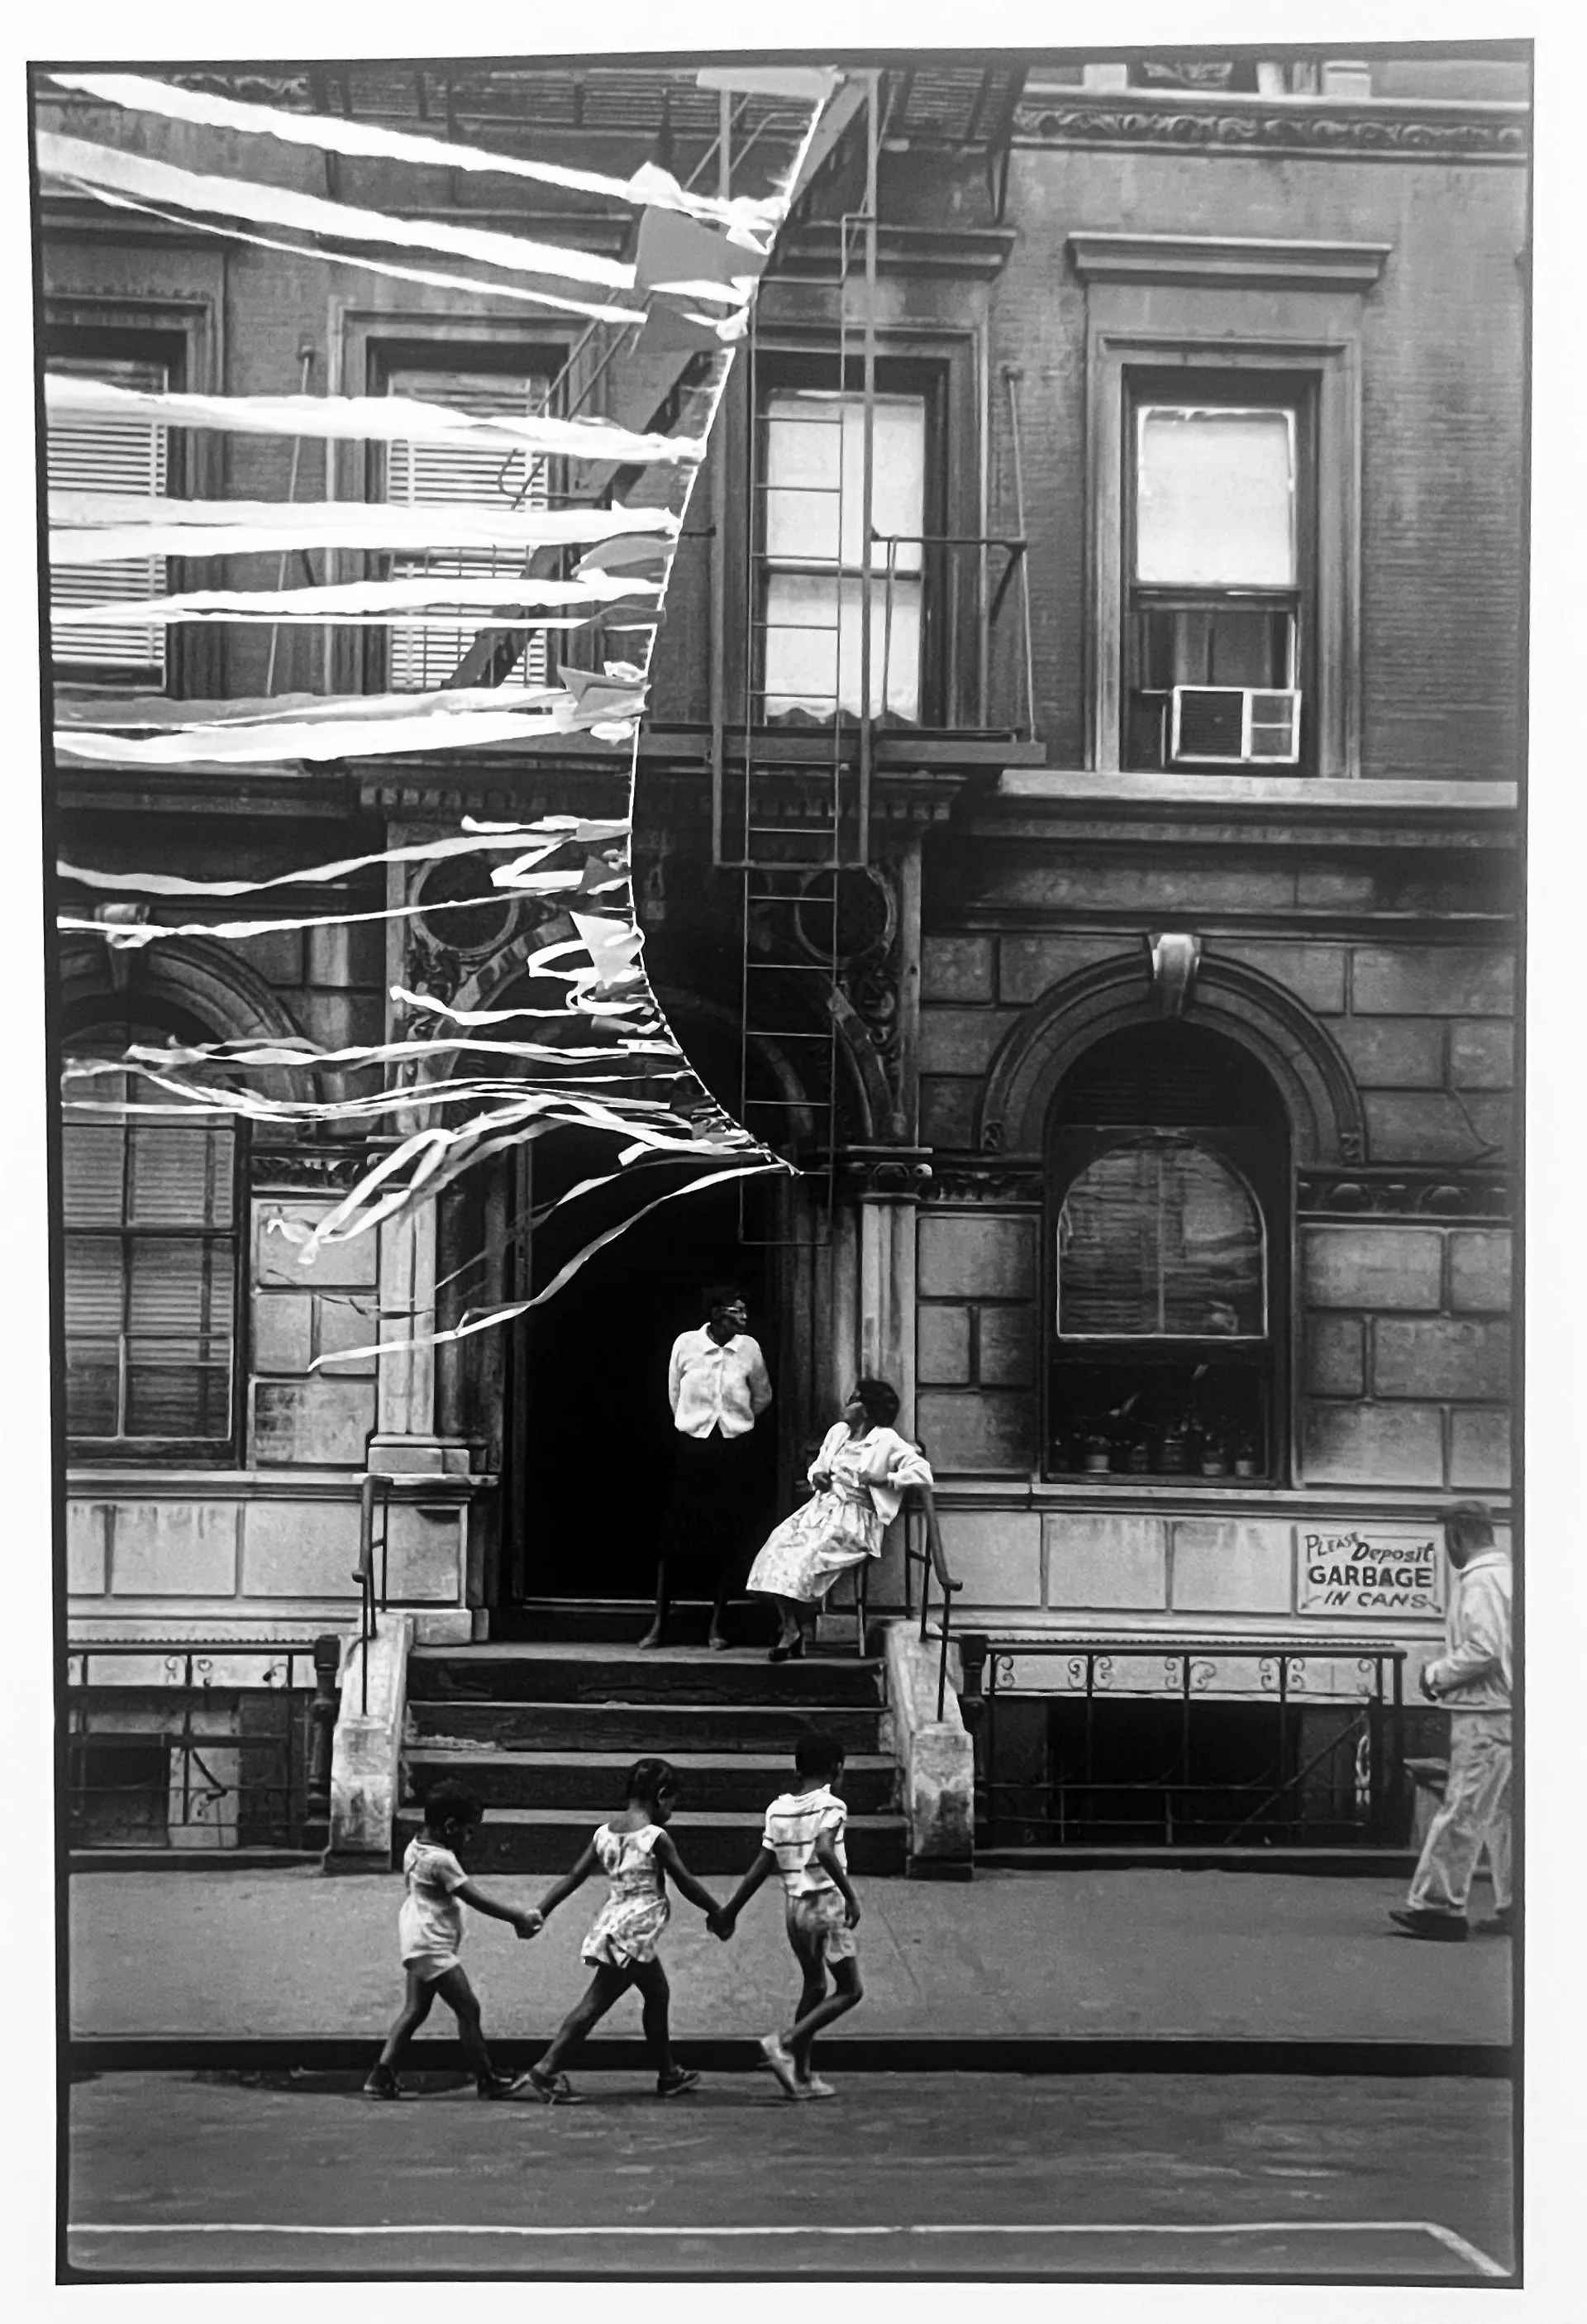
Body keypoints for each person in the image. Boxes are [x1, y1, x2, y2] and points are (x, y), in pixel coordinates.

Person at [521, 1757, 721, 2102]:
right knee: (595, 2002)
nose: (671, 1810)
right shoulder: (655, 1837)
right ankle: (545, 2070)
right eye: (672, 1802)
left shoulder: (604, 1834)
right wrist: (718, 1912)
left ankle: (669, 2073)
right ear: (661, 1795)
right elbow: (685, 1882)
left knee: (657, 1995)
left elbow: (574, 1877)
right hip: (634, 1935)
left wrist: (542, 1910)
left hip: (618, 1928)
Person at [365, 1777, 541, 2100]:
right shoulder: (441, 1861)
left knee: (415, 2010)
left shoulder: (415, 1847)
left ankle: (382, 2074)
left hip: (417, 1939)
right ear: (449, 1826)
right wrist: (517, 1916)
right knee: (468, 2009)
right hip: (433, 1947)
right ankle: (487, 2079)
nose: (469, 1837)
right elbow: (474, 1897)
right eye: (468, 1829)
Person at [709, 1728, 861, 2100]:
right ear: (837, 1769)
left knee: (815, 1985)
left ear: (798, 1770)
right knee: (850, 1989)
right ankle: (785, 2042)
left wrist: (730, 1911)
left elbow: (763, 1864)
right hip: (826, 1906)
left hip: (794, 1909)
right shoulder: (832, 1806)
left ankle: (802, 2077)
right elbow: (826, 1851)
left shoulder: (777, 1810)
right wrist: (851, 1897)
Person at [1390, 1501, 1513, 1944]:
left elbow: (1483, 1650)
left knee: (1463, 1808)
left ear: (1458, 1534)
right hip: (1514, 1710)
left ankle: (1439, 1906)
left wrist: (1435, 1675)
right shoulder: (1511, 1576)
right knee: (1505, 1815)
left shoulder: (1479, 1581)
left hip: (1484, 1712)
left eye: (1447, 1537)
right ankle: (1514, 1903)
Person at [746, 1378, 931, 1661]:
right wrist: (816, 1476)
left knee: (804, 1559)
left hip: (855, 1520)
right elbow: (819, 1465)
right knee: (775, 1550)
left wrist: (886, 1479)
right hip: (819, 1510)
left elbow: (922, 1472)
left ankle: (794, 1631)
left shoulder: (886, 1440)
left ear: (866, 1409)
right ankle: (792, 1628)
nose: (846, 1405)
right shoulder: (838, 1433)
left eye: (853, 1400)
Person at [641, 1283, 773, 1653]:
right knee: (675, 1539)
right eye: (737, 1311)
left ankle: (717, 1625)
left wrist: (734, 1424)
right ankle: (660, 1623)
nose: (745, 1318)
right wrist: (695, 1427)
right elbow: (674, 1394)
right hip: (692, 1450)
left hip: (732, 1451)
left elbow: (762, 1395)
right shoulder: (686, 1344)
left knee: (725, 1538)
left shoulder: (749, 1349)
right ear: (717, 1314)